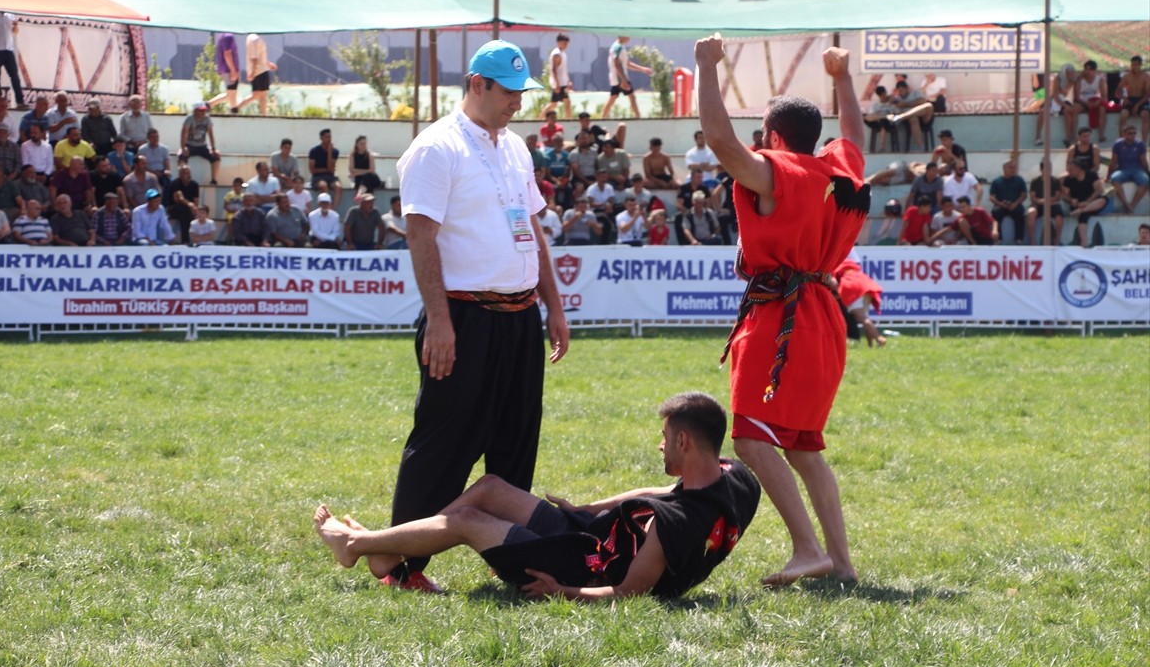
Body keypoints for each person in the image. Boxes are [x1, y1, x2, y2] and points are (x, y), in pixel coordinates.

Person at [388, 39, 569, 593]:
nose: (518, 101)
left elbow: (532, 228)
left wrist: (554, 305)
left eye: (522, 92)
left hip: (519, 317)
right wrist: (440, 322)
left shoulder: (516, 148)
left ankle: (511, 558)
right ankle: (401, 564)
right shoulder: (436, 148)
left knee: (516, 439)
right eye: (509, 91)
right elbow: (421, 236)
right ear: (476, 84)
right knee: (445, 442)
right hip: (464, 317)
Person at [696, 35, 868, 586]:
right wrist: (843, 79)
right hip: (824, 314)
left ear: (773, 138)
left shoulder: (779, 175)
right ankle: (840, 563)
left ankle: (807, 549)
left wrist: (706, 67)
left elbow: (720, 142)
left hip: (780, 317)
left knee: (750, 436)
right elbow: (855, 136)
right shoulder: (838, 172)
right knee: (804, 448)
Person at [314, 392, 761, 601]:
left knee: (467, 521)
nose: (660, 445)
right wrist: (592, 507)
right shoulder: (736, 479)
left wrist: (561, 591)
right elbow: (664, 491)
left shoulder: (670, 529)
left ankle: (355, 545)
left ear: (684, 441)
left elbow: (628, 593)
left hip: (579, 567)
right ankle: (389, 555)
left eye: (665, 437)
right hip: (591, 537)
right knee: (490, 487)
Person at [831, 254, 886, 347]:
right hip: (866, 284)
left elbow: (834, 284)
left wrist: (835, 296)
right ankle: (870, 345)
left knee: (861, 318)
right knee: (865, 318)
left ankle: (879, 339)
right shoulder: (848, 263)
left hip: (853, 286)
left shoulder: (834, 265)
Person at [601, 35, 652, 119]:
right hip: (619, 77)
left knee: (613, 97)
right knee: (631, 97)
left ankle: (603, 118)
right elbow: (616, 64)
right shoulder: (617, 47)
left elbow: (627, 63)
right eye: (627, 36)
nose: (629, 38)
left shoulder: (620, 47)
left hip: (617, 78)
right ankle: (638, 118)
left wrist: (642, 69)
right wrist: (623, 80)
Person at [1061, 160, 1109, 247]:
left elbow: (1099, 190)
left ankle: (1082, 210)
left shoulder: (1091, 175)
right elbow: (1065, 196)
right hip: (1078, 205)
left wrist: (1088, 202)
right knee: (1084, 215)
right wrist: (1071, 200)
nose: (1069, 171)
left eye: (1071, 169)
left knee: (1104, 199)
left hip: (1092, 203)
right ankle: (1083, 242)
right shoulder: (1069, 179)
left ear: (1079, 168)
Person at [1108, 125, 1149, 213]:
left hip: (1137, 170)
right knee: (1114, 178)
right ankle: (1126, 204)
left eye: (1134, 133)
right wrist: (1108, 175)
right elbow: (1113, 161)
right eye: (1130, 133)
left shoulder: (1140, 144)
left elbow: (1144, 161)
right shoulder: (1118, 144)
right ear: (1124, 134)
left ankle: (1132, 206)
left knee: (1145, 181)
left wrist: (1148, 173)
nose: (1132, 135)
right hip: (1122, 170)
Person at [1035, 64, 1079, 147]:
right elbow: (1055, 96)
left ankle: (1069, 138)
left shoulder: (1073, 81)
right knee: (1042, 112)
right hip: (1054, 99)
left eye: (1071, 73)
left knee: (1070, 112)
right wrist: (1064, 105)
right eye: (1068, 73)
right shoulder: (1058, 79)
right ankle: (1038, 137)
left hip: (1064, 100)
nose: (1069, 74)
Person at [177, 103, 221, 184]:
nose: (203, 112)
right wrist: (183, 148)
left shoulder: (207, 119)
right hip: (189, 145)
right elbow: (183, 134)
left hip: (202, 146)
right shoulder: (189, 119)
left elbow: (211, 134)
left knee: (216, 156)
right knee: (181, 156)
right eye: (201, 110)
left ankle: (214, 180)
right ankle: (184, 179)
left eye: (204, 110)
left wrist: (213, 148)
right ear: (195, 110)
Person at [235, 33, 276, 115]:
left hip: (257, 70)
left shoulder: (250, 38)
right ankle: (263, 115)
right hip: (261, 71)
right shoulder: (255, 39)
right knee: (263, 96)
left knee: (256, 95)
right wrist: (252, 73)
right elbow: (254, 58)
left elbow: (258, 55)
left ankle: (236, 108)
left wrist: (268, 64)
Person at [1024, 163, 1064, 246]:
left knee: (1059, 217)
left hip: (1052, 204)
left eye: (1050, 168)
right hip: (1038, 205)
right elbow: (1032, 197)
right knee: (1031, 213)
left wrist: (1046, 201)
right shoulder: (1035, 181)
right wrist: (1040, 201)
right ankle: (1032, 240)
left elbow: (1057, 196)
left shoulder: (1055, 181)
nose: (1049, 170)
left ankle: (1057, 239)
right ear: (1041, 169)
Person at [989, 160, 1028, 244]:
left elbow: (1024, 195)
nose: (1012, 169)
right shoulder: (996, 181)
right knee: (995, 212)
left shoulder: (1019, 180)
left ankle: (1019, 239)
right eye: (1010, 167)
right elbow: (992, 197)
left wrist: (1015, 203)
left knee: (1020, 211)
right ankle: (998, 239)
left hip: (1015, 205)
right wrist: (1000, 204)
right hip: (1001, 205)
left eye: (1014, 167)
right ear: (1004, 168)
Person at [1116, 55, 1150, 142]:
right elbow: (1117, 92)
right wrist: (1124, 98)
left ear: (1140, 65)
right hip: (1130, 99)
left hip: (1142, 100)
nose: (1133, 67)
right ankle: (1122, 141)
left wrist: (1137, 105)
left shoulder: (1146, 76)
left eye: (1135, 65)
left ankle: (1144, 142)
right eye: (1132, 65)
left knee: (1145, 115)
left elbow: (1147, 95)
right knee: (1123, 115)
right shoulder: (1127, 76)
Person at [1074, 59, 1108, 142]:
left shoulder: (1100, 79)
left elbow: (1104, 96)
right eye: (1086, 69)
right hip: (1083, 100)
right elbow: (1077, 97)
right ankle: (1075, 135)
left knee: (1102, 109)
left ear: (1095, 70)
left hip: (1095, 99)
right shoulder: (1080, 80)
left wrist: (1097, 102)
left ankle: (1101, 135)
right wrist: (1086, 104)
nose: (1088, 72)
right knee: (1074, 110)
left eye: (1090, 70)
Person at [166, 165, 200, 245]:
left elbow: (196, 201)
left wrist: (195, 209)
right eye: (186, 173)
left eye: (189, 173)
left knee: (187, 213)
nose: (188, 175)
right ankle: (186, 241)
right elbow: (180, 198)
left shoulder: (194, 185)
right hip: (173, 209)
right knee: (185, 209)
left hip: (187, 211)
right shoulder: (175, 183)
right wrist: (190, 205)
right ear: (180, 174)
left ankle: (194, 240)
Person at [542, 33, 573, 120]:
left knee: (562, 103)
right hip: (559, 83)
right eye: (564, 43)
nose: (566, 45)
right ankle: (540, 118)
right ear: (559, 42)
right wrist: (557, 83)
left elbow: (563, 70)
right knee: (555, 104)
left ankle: (569, 120)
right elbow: (554, 69)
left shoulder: (562, 53)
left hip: (563, 82)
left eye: (567, 43)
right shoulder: (556, 54)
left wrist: (568, 81)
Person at [308, 128, 342, 206]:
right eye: (326, 137)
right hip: (317, 177)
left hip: (330, 177)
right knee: (323, 185)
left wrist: (329, 152)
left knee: (338, 186)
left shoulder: (335, 152)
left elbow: (331, 169)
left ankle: (331, 208)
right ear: (321, 138)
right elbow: (312, 170)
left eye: (330, 137)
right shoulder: (314, 151)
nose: (329, 139)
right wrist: (326, 170)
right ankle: (326, 205)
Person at [207, 32, 240, 110]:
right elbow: (227, 54)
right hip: (229, 69)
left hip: (226, 69)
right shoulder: (228, 36)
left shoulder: (222, 36)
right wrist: (233, 71)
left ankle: (208, 104)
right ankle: (234, 113)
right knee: (232, 94)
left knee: (230, 94)